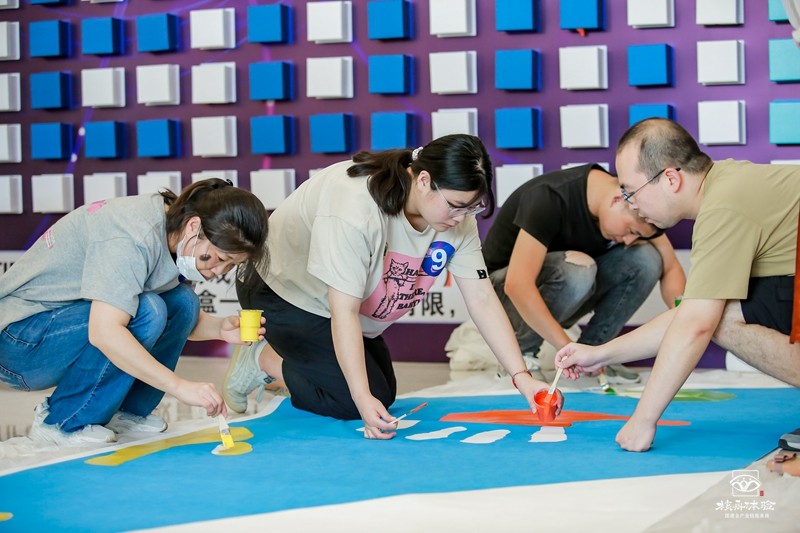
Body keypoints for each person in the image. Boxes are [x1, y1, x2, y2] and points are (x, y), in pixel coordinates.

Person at [223, 134, 558, 439]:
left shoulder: (455, 217)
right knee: (352, 400)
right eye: (457, 206)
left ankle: (302, 363)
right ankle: (262, 359)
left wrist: (521, 377)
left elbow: (482, 298)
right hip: (281, 291)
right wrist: (360, 398)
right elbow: (343, 311)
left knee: (382, 392)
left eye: (473, 207)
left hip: (330, 302)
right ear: (424, 180)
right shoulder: (356, 205)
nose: (462, 217)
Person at [555, 118, 800, 451]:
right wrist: (600, 354)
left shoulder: (723, 208)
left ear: (670, 179)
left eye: (631, 191)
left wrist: (642, 421)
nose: (631, 204)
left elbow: (697, 325)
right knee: (719, 312)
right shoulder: (728, 185)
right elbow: (693, 314)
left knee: (719, 321)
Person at [0, 178, 269, 445]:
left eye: (230, 265)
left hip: (54, 331)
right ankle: (62, 422)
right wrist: (179, 386)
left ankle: (127, 414)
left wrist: (220, 328)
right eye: (220, 258)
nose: (218, 271)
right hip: (17, 342)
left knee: (184, 301)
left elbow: (178, 318)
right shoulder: (132, 234)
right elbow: (105, 332)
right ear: (194, 226)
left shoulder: (178, 237)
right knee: (147, 309)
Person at [481, 164, 686, 384]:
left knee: (646, 258)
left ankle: (595, 357)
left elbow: (670, 266)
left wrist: (685, 316)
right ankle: (521, 357)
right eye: (631, 231)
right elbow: (517, 285)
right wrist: (568, 349)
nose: (629, 241)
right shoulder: (550, 197)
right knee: (580, 268)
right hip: (500, 296)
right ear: (617, 200)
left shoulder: (637, 203)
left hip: (561, 291)